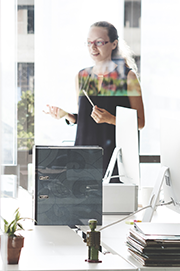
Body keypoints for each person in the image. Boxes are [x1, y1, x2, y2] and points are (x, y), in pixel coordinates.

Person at [43, 21, 146, 177]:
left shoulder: (127, 77)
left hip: (114, 160)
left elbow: (140, 123)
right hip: (83, 159)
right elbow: (85, 119)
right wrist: (67, 116)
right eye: (89, 42)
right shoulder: (82, 76)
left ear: (113, 44)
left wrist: (111, 119)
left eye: (98, 42)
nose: (93, 47)